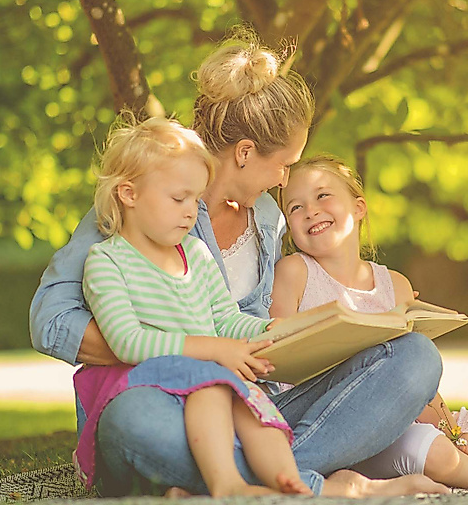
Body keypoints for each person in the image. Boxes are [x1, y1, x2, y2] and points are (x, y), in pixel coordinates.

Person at [29, 32, 449, 497]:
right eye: (284, 164)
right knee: (135, 422)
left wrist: (321, 332)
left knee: (414, 358)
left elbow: (247, 328)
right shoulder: (139, 204)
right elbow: (51, 319)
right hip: (162, 399)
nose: (286, 180)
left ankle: (236, 482)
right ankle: (317, 485)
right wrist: (199, 355)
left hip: (252, 406)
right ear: (246, 153)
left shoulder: (267, 218)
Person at [271, 155, 468, 488]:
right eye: (295, 207)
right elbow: (281, 363)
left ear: (359, 207)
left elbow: (421, 380)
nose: (311, 211)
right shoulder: (294, 273)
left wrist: (456, 432)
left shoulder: (395, 284)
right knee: (431, 450)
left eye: (322, 195)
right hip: (344, 425)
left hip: (415, 419)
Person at [73, 116, 309, 496]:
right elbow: (128, 342)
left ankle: (292, 483)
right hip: (150, 389)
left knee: (252, 405)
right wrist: (215, 349)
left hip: (204, 385)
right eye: (178, 198)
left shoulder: (196, 255)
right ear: (129, 194)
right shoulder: (107, 261)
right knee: (214, 387)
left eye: (195, 200)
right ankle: (228, 484)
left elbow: (225, 319)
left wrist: (271, 330)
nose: (190, 212)